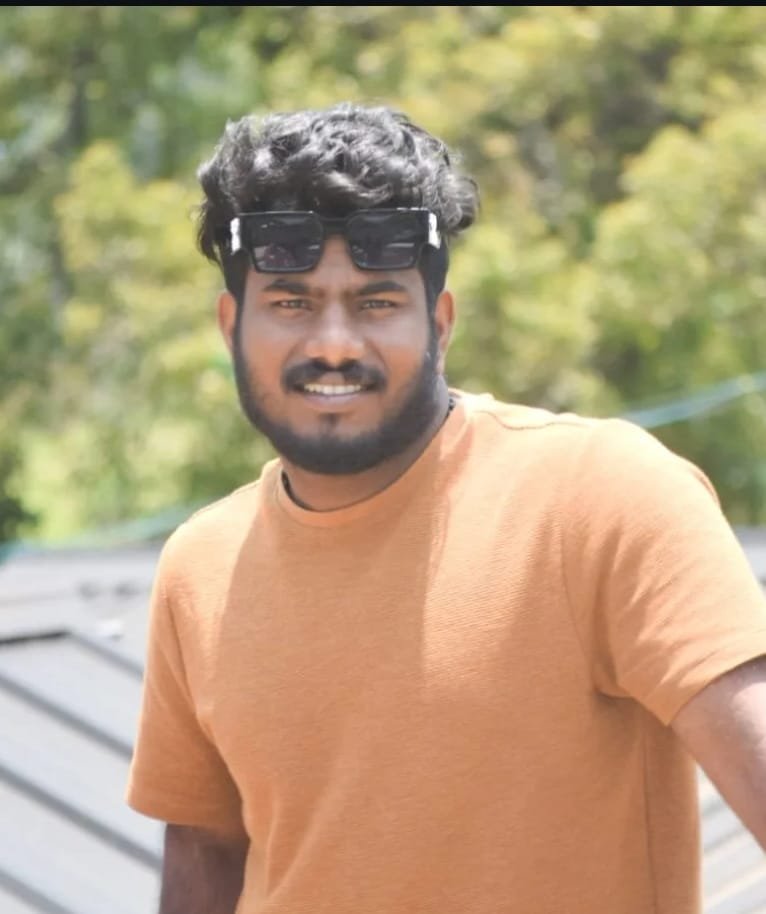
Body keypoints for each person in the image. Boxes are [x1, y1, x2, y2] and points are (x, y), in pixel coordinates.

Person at [126, 102, 766, 914]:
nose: (333, 344)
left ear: (440, 322)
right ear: (232, 327)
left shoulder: (600, 496)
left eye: (376, 303)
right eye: (290, 303)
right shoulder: (198, 566)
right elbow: (205, 852)